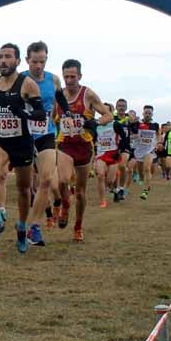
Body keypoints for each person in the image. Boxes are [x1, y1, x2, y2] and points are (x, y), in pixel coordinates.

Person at [0, 43, 44, 253]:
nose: (3, 60)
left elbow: (40, 114)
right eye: (0, 56)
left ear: (18, 61)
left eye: (8, 56)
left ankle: (21, 226)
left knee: (23, 188)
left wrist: (23, 114)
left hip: (21, 143)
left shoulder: (27, 85)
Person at [52, 59, 112, 242]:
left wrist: (94, 122)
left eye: (73, 76)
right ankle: (65, 204)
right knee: (62, 181)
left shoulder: (88, 94)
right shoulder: (58, 96)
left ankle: (78, 227)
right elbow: (52, 117)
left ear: (80, 76)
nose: (69, 80)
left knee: (81, 192)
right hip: (65, 145)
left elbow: (108, 115)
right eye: (66, 76)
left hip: (84, 146)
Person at [20, 41, 61, 247]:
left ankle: (34, 227)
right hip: (24, 134)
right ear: (27, 60)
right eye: (34, 61)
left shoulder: (54, 80)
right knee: (25, 185)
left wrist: (63, 117)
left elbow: (57, 103)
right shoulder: (19, 80)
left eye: (42, 62)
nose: (38, 66)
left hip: (46, 133)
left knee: (45, 180)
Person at [93, 103, 121, 208]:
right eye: (102, 112)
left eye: (106, 111)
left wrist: (120, 151)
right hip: (101, 154)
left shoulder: (116, 124)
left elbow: (124, 139)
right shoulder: (96, 125)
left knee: (109, 181)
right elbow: (92, 139)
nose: (103, 114)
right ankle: (103, 200)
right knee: (100, 175)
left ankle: (114, 188)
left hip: (113, 154)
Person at [133, 104, 160, 199]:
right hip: (139, 150)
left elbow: (158, 135)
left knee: (147, 168)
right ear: (143, 113)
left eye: (149, 113)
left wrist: (158, 143)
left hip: (150, 150)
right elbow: (132, 132)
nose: (147, 114)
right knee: (140, 171)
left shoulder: (155, 125)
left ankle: (145, 190)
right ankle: (140, 177)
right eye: (146, 113)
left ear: (152, 114)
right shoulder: (138, 124)